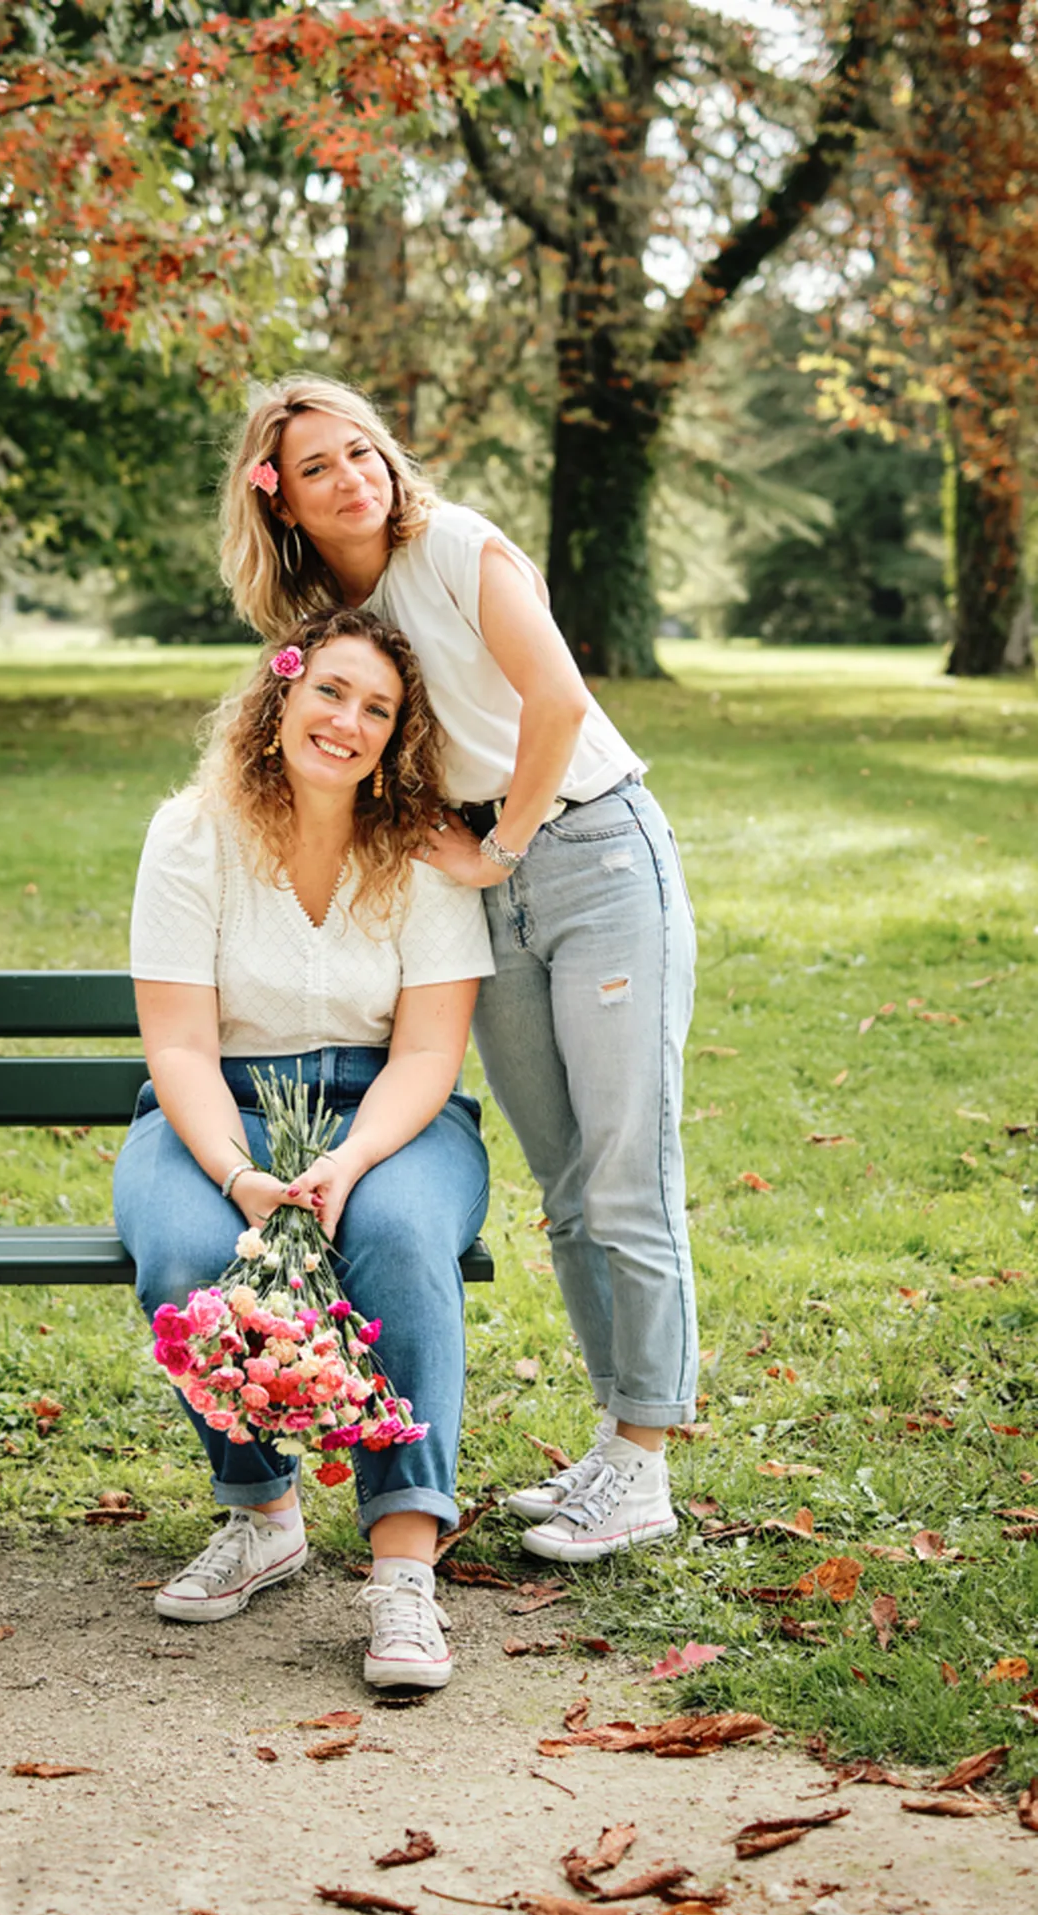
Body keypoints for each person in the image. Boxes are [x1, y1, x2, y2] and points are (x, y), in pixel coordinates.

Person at [218, 375, 698, 1565]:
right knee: (570, 1177)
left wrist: (505, 848)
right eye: (319, 465)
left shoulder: (459, 548)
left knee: (627, 1165)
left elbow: (559, 697)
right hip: (485, 878)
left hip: (587, 853)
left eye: (362, 449)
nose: (354, 475)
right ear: (279, 501)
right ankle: (614, 1443)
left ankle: (646, 1462)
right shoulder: (326, 615)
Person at [113, 605, 493, 1690]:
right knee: (191, 1258)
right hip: (215, 1112)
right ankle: (263, 1512)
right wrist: (238, 1173)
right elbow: (180, 1041)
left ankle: (403, 1571)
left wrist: (351, 1159)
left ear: (396, 735)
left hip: (390, 1117)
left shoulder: (418, 851)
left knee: (405, 1240)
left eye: (378, 708)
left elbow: (428, 1054)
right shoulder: (192, 833)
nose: (349, 721)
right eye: (331, 690)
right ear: (281, 695)